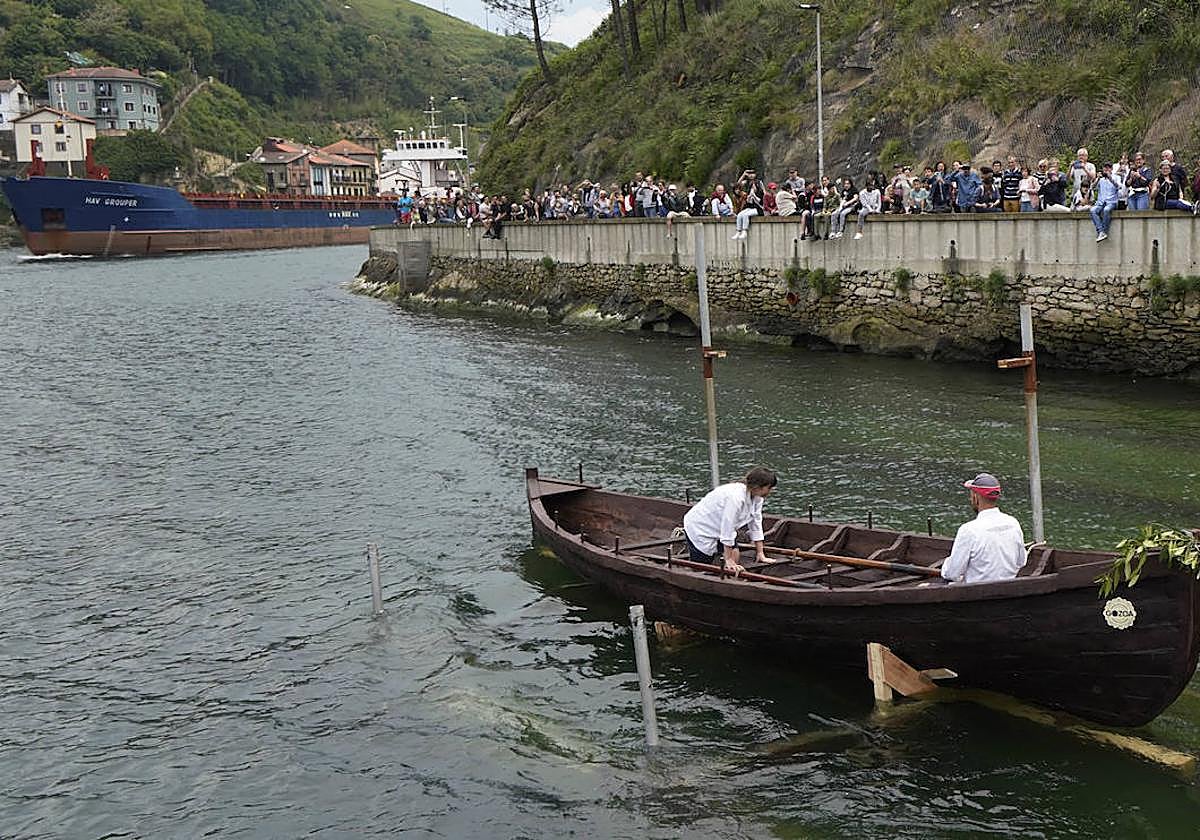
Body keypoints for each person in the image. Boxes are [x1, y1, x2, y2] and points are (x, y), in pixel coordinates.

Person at [682, 467, 778, 575]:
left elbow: (756, 523)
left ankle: (729, 578)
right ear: (758, 487)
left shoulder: (757, 497)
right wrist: (728, 559)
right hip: (700, 527)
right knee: (702, 566)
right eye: (769, 488)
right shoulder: (735, 498)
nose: (770, 491)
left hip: (719, 526)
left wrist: (760, 553)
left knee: (735, 554)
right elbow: (728, 526)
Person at [941, 473, 1026, 584]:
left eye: (971, 494)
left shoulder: (968, 530)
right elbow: (1021, 562)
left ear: (976, 497)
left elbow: (952, 573)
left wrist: (946, 566)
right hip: (1009, 588)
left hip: (976, 593)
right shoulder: (1013, 523)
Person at [1091, 162, 1121, 242]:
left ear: (1111, 169)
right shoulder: (1100, 179)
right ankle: (1101, 231)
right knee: (1093, 210)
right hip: (1101, 202)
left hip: (1112, 202)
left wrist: (1110, 178)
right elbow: (1092, 187)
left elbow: (1119, 187)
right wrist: (1097, 178)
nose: (1107, 170)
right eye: (1105, 168)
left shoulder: (1116, 177)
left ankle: (1104, 231)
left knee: (1106, 210)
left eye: (1108, 168)